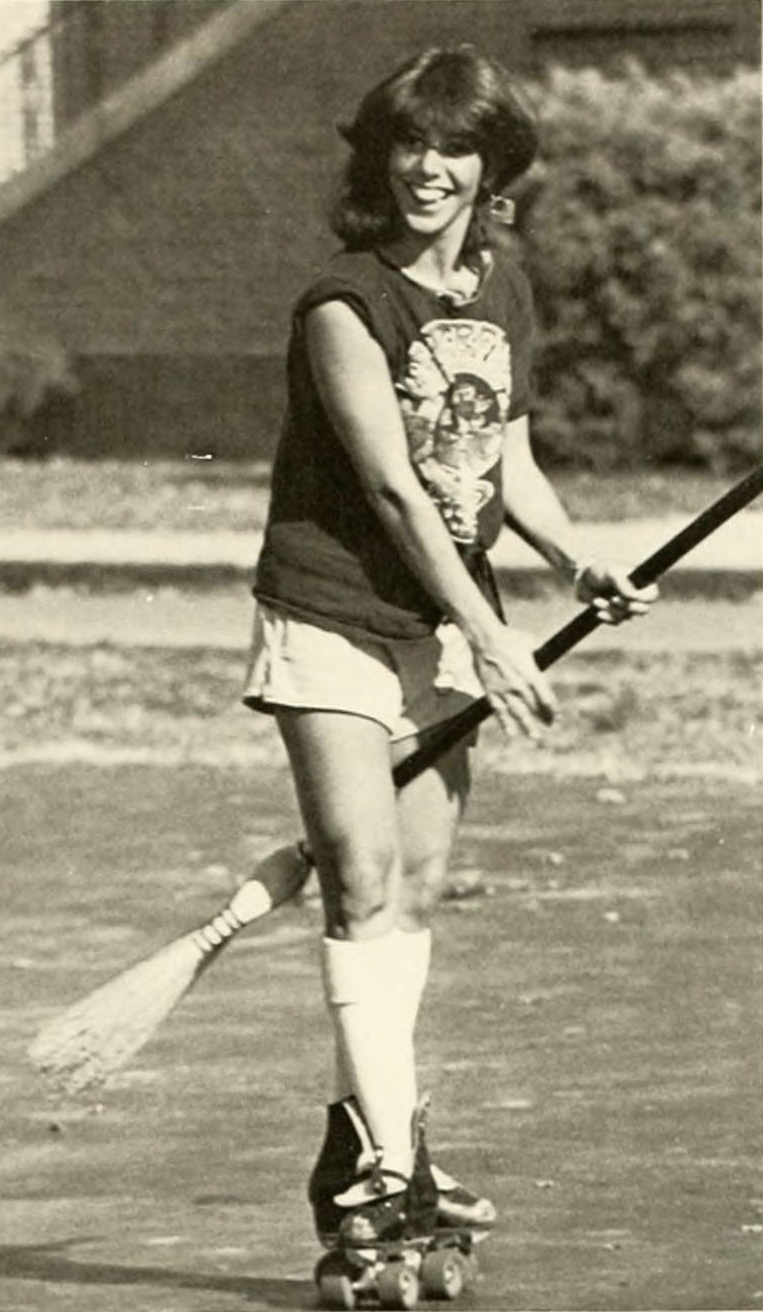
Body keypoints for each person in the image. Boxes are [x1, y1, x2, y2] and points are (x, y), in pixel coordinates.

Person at [243, 44, 657, 1249]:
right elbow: (391, 490)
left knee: (411, 888)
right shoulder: (343, 303)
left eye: (453, 147)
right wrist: (490, 631)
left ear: (491, 165)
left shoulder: (499, 288)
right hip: (333, 609)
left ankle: (368, 1148)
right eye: (408, 143)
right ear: (379, 157)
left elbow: (501, 460)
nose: (427, 168)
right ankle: (389, 1164)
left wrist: (573, 563)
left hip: (440, 619)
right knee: (360, 876)